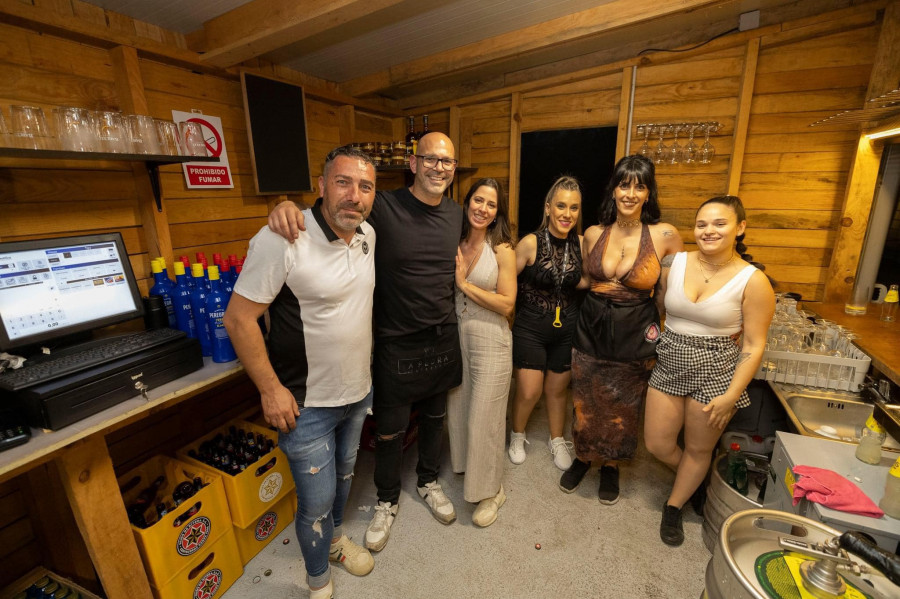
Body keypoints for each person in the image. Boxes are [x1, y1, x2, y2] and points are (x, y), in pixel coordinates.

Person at [267, 132, 464, 553]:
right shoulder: (384, 205)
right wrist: (286, 207)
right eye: (430, 159)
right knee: (390, 433)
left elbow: (488, 236)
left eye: (447, 161)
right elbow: (333, 213)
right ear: (413, 163)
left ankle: (429, 481)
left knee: (434, 419)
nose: (439, 168)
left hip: (442, 335)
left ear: (454, 167)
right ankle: (388, 500)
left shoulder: (457, 214)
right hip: (395, 340)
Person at [224, 146, 377, 599]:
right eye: (344, 182)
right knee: (314, 501)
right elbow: (238, 318)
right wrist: (270, 390)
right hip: (306, 403)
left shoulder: (368, 233)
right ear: (322, 185)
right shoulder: (281, 238)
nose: (355, 195)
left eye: (365, 186)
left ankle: (332, 541)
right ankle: (318, 584)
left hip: (357, 392)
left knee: (344, 481)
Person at [644, 195, 775, 546]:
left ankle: (674, 506)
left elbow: (753, 344)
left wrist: (732, 394)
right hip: (670, 358)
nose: (709, 231)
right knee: (657, 443)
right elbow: (659, 308)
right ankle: (700, 480)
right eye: (702, 224)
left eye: (720, 223)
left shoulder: (753, 280)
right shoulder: (676, 263)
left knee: (699, 449)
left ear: (740, 228)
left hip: (717, 369)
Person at [559, 155, 682, 504]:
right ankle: (583, 456)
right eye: (623, 184)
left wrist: (664, 337)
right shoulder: (594, 233)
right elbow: (583, 279)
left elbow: (667, 295)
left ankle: (611, 465)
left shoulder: (666, 235)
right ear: (613, 189)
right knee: (585, 398)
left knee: (623, 404)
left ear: (648, 193)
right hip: (591, 326)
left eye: (639, 186)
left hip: (635, 330)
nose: (630, 193)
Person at [447, 178, 516, 527]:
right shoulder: (456, 242)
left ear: (497, 212)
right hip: (459, 335)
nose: (482, 208)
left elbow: (507, 303)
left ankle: (492, 491)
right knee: (459, 409)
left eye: (491, 204)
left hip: (492, 339)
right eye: (478, 200)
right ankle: (468, 472)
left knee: (485, 418)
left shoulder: (501, 248)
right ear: (467, 201)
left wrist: (464, 284)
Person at [508, 176, 586, 471]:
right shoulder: (530, 242)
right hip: (530, 327)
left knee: (557, 390)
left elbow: (590, 279)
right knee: (529, 390)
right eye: (562, 206)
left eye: (574, 208)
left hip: (567, 328)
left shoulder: (580, 244)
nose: (567, 214)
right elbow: (507, 282)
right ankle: (517, 434)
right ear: (548, 207)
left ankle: (556, 439)